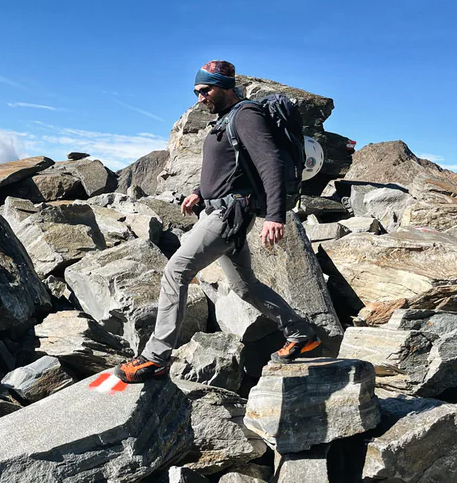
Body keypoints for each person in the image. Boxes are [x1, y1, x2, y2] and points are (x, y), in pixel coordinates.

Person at [114, 60, 321, 384]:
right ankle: (300, 333)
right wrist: (199, 192)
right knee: (243, 285)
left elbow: (268, 162)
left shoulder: (247, 115)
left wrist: (275, 216)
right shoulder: (225, 120)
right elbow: (229, 169)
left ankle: (155, 357)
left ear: (225, 86)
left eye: (205, 90)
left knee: (176, 270)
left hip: (229, 215)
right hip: (218, 210)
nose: (200, 97)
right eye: (197, 91)